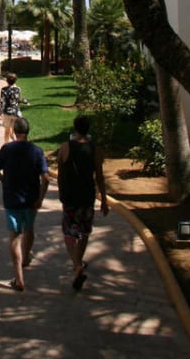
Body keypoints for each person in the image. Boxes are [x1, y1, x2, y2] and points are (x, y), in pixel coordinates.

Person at [0, 116, 50, 291]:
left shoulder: (7, 149)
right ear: (28, 131)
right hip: (31, 199)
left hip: (12, 199)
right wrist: (40, 198)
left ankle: (18, 277)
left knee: (15, 235)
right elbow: (46, 178)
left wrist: (4, 180)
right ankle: (25, 259)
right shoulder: (37, 151)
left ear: (14, 132)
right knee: (29, 229)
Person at [57, 114, 109, 290]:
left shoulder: (66, 147)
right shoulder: (95, 150)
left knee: (69, 232)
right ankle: (77, 264)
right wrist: (104, 200)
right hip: (87, 196)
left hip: (70, 197)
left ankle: (77, 265)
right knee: (85, 232)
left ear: (75, 128)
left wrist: (61, 191)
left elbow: (60, 171)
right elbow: (100, 177)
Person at [0, 72, 22, 143]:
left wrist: (1, 112)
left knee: (7, 130)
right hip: (16, 112)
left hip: (7, 112)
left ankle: (6, 145)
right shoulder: (18, 89)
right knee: (16, 130)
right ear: (15, 80)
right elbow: (18, 100)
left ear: (7, 80)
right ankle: (16, 145)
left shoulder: (3, 89)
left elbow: (2, 101)